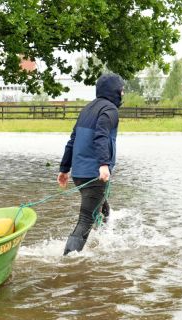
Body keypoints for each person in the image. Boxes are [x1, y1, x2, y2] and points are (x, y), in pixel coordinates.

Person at [57, 73, 124, 254]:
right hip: (94, 174)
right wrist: (103, 164)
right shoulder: (110, 110)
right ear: (115, 91)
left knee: (103, 209)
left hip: (79, 174)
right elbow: (101, 135)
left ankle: (104, 244)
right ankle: (68, 262)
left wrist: (64, 169)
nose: (123, 94)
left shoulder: (87, 109)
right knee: (86, 219)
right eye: (121, 90)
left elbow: (72, 140)